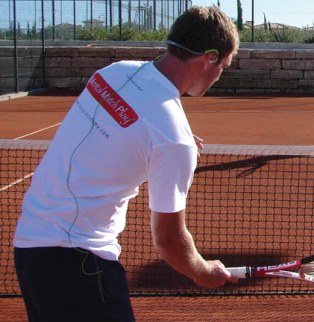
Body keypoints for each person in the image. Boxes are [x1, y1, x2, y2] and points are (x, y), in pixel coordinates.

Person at [13, 6, 239, 321]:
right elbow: (169, 241)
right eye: (224, 65)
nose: (219, 75)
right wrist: (203, 271)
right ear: (209, 58)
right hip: (81, 264)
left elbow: (123, 129)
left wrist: (169, 142)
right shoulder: (172, 139)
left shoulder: (114, 73)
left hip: (29, 249)